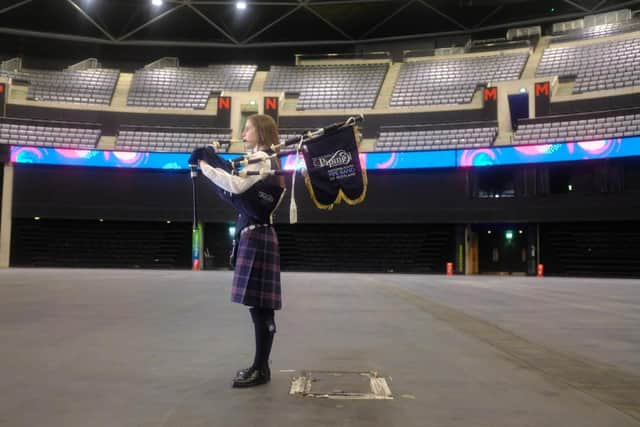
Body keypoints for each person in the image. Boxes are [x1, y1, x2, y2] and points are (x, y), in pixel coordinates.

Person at [197, 114, 284, 388]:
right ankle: (260, 367)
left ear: (260, 131)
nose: (243, 132)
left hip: (257, 237)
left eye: (248, 128)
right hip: (258, 235)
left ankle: (260, 369)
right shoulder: (263, 158)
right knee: (260, 308)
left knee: (260, 309)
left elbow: (235, 185)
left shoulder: (261, 158)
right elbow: (237, 181)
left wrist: (205, 167)